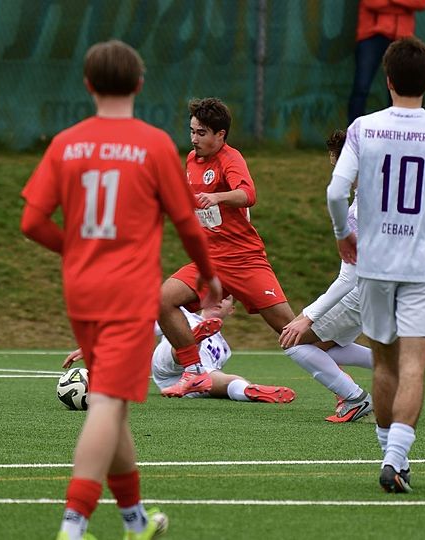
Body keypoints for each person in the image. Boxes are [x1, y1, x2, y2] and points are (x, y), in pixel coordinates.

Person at [20, 40, 221, 540]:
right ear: (139, 84)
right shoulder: (153, 145)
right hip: (128, 292)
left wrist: (75, 249)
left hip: (82, 291)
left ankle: (136, 521)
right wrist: (209, 276)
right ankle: (73, 526)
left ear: (88, 85)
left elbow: (31, 222)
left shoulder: (66, 143)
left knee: (114, 407)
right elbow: (187, 223)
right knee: (108, 405)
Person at [327, 37, 425, 493]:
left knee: (384, 365)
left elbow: (336, 192)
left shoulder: (363, 127)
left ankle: (391, 457)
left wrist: (343, 233)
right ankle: (395, 460)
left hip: (374, 262)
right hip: (424, 265)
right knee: (414, 367)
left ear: (387, 80)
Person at [157, 97, 296, 398]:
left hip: (244, 259)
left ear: (220, 134)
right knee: (163, 299)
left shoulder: (231, 159)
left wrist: (217, 197)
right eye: (192, 131)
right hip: (209, 260)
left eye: (202, 133)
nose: (194, 139)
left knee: (291, 330)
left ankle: (346, 386)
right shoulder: (191, 160)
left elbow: (248, 194)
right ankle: (194, 372)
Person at [280, 129, 374, 423]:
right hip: (378, 293)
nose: (336, 172)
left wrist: (308, 316)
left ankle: (355, 398)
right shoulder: (382, 195)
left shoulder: (358, 210)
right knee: (325, 349)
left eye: (338, 165)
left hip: (358, 294)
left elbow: (349, 278)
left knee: (293, 342)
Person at [66, 296, 296, 403]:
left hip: (195, 382)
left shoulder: (225, 348)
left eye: (226, 299)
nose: (219, 300)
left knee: (228, 380)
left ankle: (249, 391)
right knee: (182, 344)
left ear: (232, 310)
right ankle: (190, 342)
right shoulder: (180, 314)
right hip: (168, 367)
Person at [347, 0, 425, 124]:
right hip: (371, 37)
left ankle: (394, 129)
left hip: (402, 38)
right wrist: (404, 8)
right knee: (361, 87)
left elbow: (421, 3)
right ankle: (354, 131)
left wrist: (389, 4)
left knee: (399, 89)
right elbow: (371, 3)